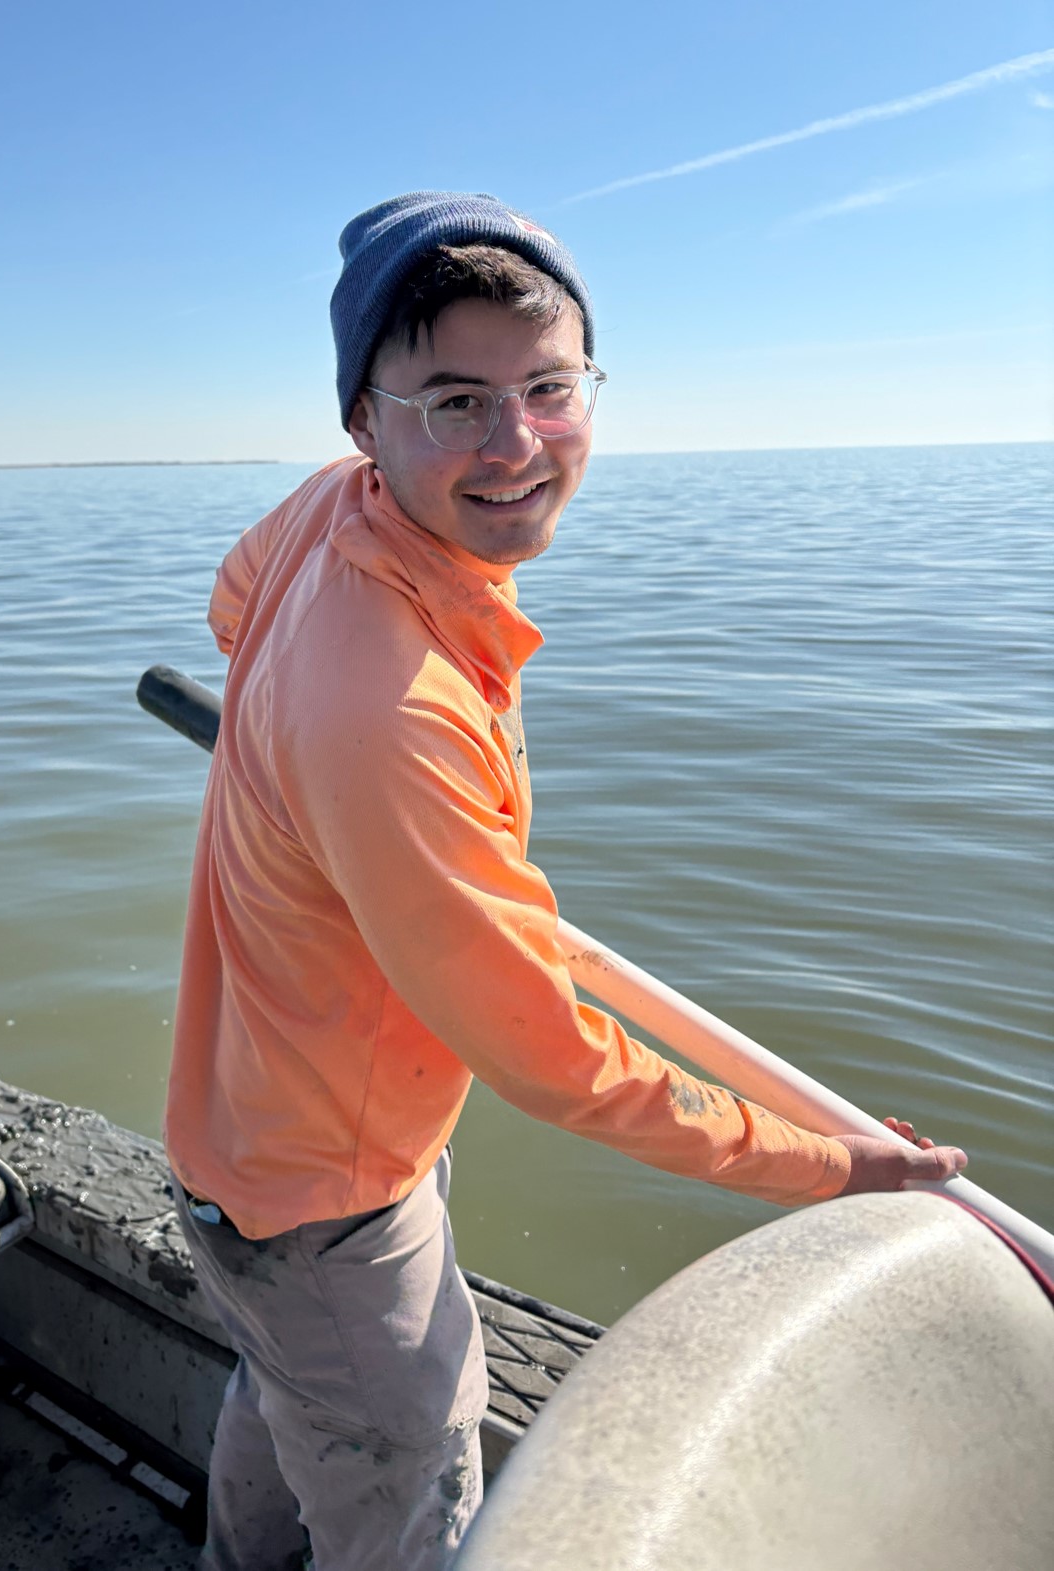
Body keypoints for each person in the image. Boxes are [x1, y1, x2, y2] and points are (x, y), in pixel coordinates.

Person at [162, 192, 968, 1571]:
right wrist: (831, 1164)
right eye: (454, 402)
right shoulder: (390, 714)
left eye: (547, 387)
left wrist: (330, 818)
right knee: (406, 1475)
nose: (514, 444)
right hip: (332, 1195)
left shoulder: (332, 511)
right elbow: (556, 1059)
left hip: (237, 1138)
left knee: (287, 1385)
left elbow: (232, 606)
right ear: (365, 421)